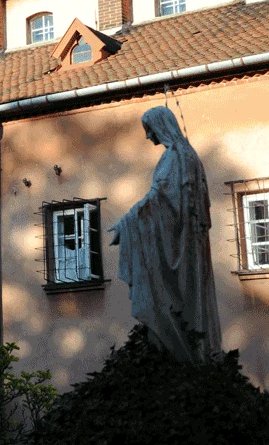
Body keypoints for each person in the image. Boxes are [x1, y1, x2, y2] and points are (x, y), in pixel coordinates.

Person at [110, 106, 221, 362]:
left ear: (161, 126)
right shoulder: (190, 156)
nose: (148, 137)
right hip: (193, 249)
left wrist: (126, 224)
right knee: (191, 306)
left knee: (167, 303)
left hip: (180, 248)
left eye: (149, 130)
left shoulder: (173, 158)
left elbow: (159, 199)